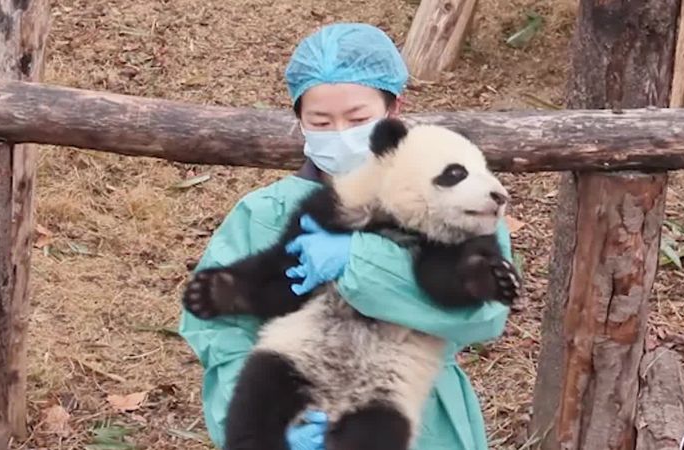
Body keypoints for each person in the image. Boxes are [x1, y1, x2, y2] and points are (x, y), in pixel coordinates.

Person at [178, 22, 514, 450]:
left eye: (357, 119)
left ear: (394, 111)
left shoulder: (456, 203)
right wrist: (272, 431)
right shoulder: (262, 213)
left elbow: (484, 318)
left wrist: (361, 263)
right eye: (320, 121)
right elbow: (219, 335)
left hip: (416, 409)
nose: (340, 133)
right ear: (299, 120)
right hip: (295, 386)